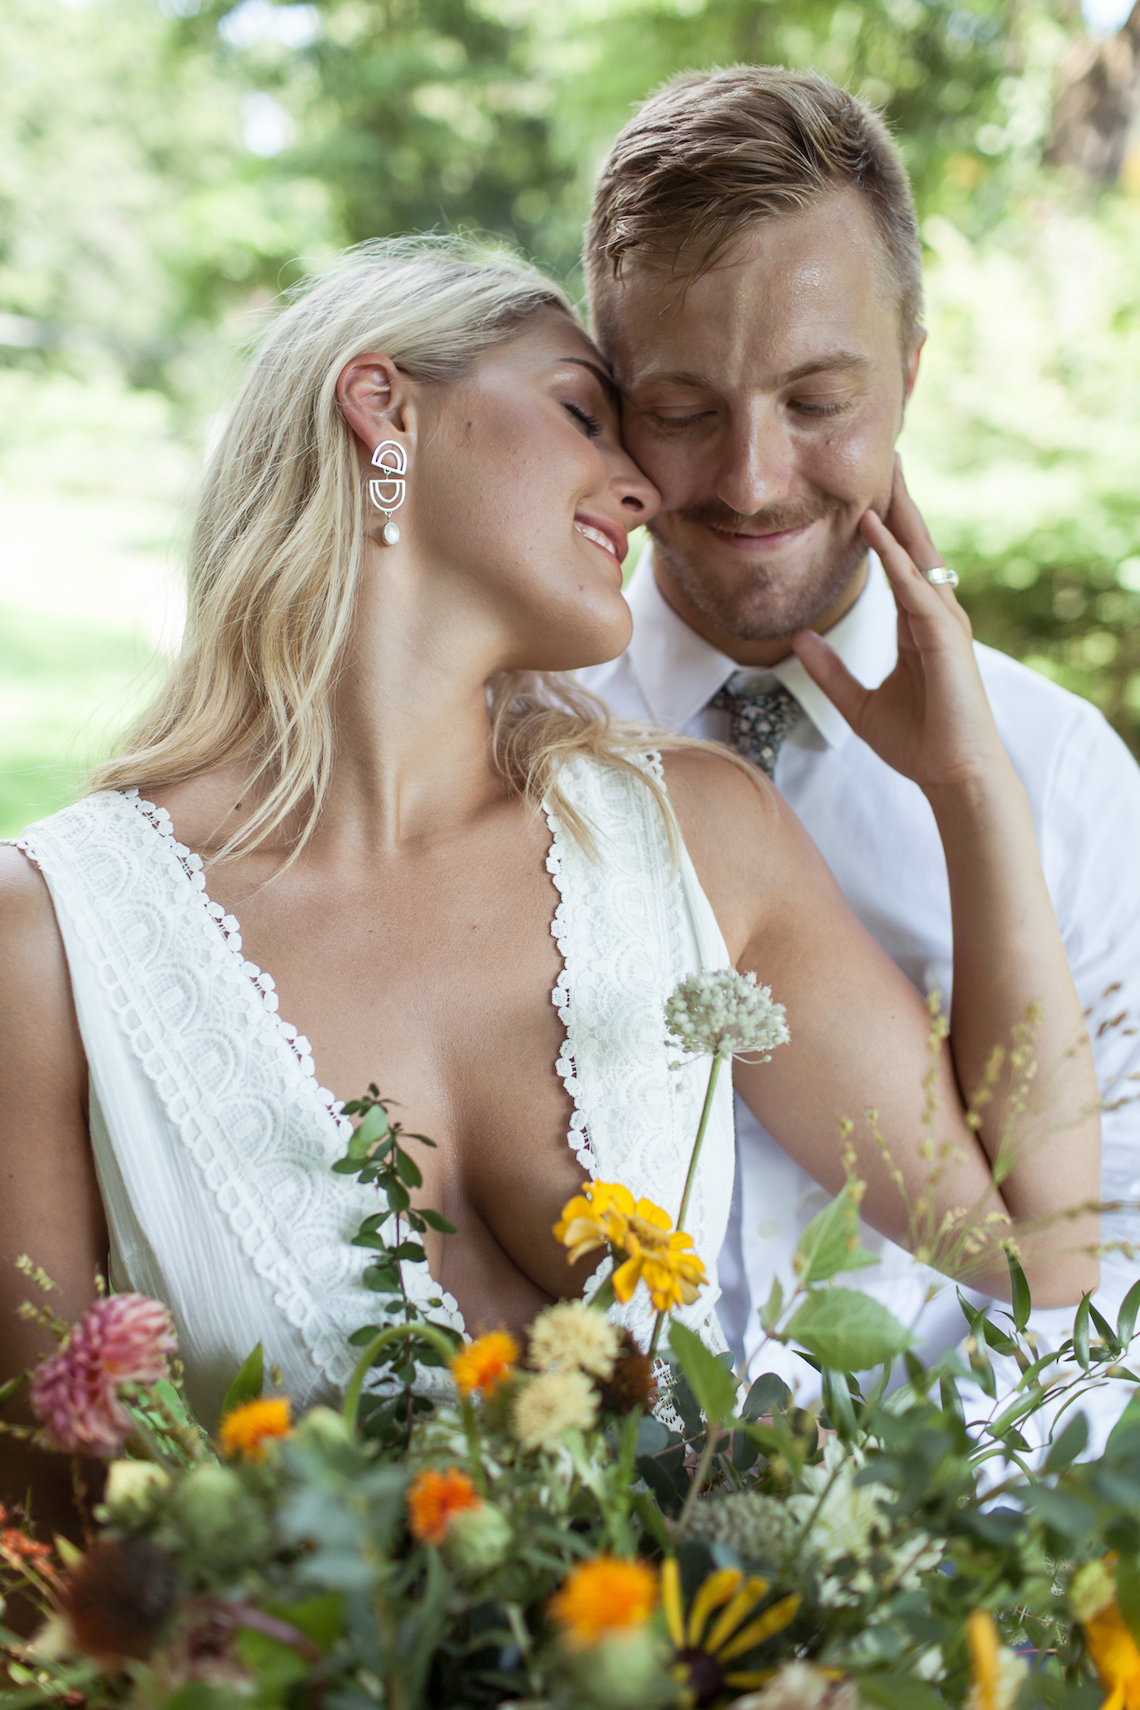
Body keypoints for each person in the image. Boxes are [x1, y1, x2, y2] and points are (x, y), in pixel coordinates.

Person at [0, 239, 1098, 1551]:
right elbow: (46, 1543)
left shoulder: (696, 835)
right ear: (384, 408)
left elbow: (1042, 1250)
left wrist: (970, 784)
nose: (641, 484)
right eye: (584, 410)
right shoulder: (54, 935)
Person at [580, 65, 1140, 1443]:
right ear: (608, 393)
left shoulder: (1064, 778)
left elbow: (1103, 1260)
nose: (754, 479)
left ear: (910, 373)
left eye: (818, 401)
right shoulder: (515, 730)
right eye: (684, 408)